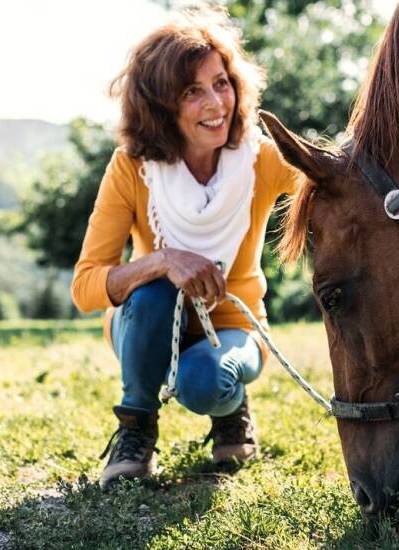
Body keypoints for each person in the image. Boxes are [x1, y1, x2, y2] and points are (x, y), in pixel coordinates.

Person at [71, 8, 301, 489]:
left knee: (203, 382)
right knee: (154, 291)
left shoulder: (262, 159)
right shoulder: (131, 168)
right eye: (191, 91)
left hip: (235, 326)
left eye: (221, 82)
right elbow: (86, 287)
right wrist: (161, 260)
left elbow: (335, 180)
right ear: (161, 107)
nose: (216, 102)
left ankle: (231, 409)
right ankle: (136, 429)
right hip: (146, 329)